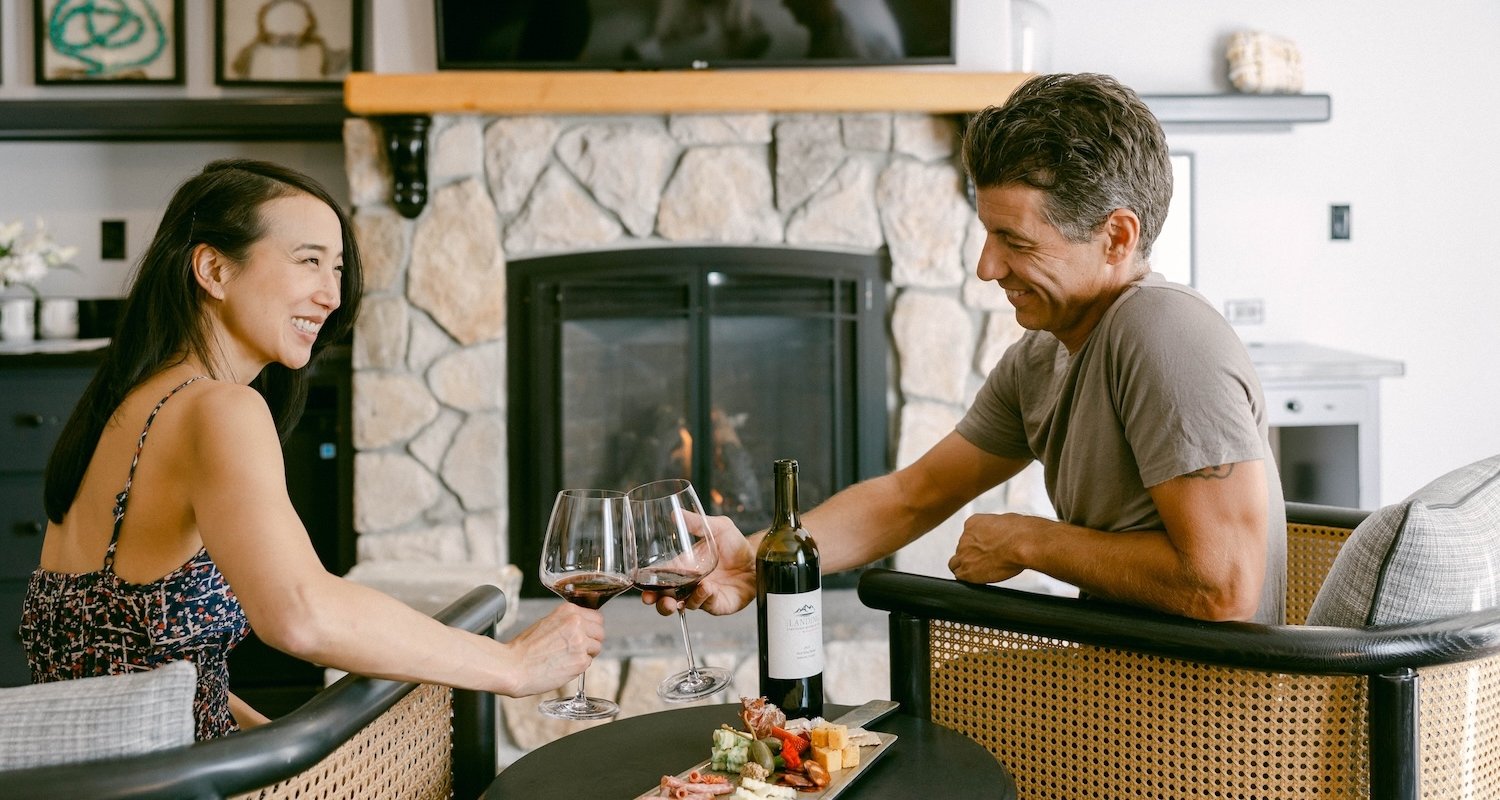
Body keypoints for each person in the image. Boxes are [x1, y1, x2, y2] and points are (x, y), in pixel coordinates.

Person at [647, 73, 1288, 624]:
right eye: (987, 234)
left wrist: (1030, 541)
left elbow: (1223, 588)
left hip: (1211, 729)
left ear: (1116, 235)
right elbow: (912, 496)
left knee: (905, 731)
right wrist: (755, 560)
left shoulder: (1163, 335)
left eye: (1016, 240)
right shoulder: (1043, 358)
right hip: (1124, 678)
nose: (986, 268)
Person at [19, 159, 604, 740]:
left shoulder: (122, 409)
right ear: (214, 270)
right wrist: (510, 664)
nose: (331, 294)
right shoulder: (218, 409)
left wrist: (284, 744)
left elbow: (140, 674)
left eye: (339, 268)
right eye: (309, 262)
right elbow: (301, 613)